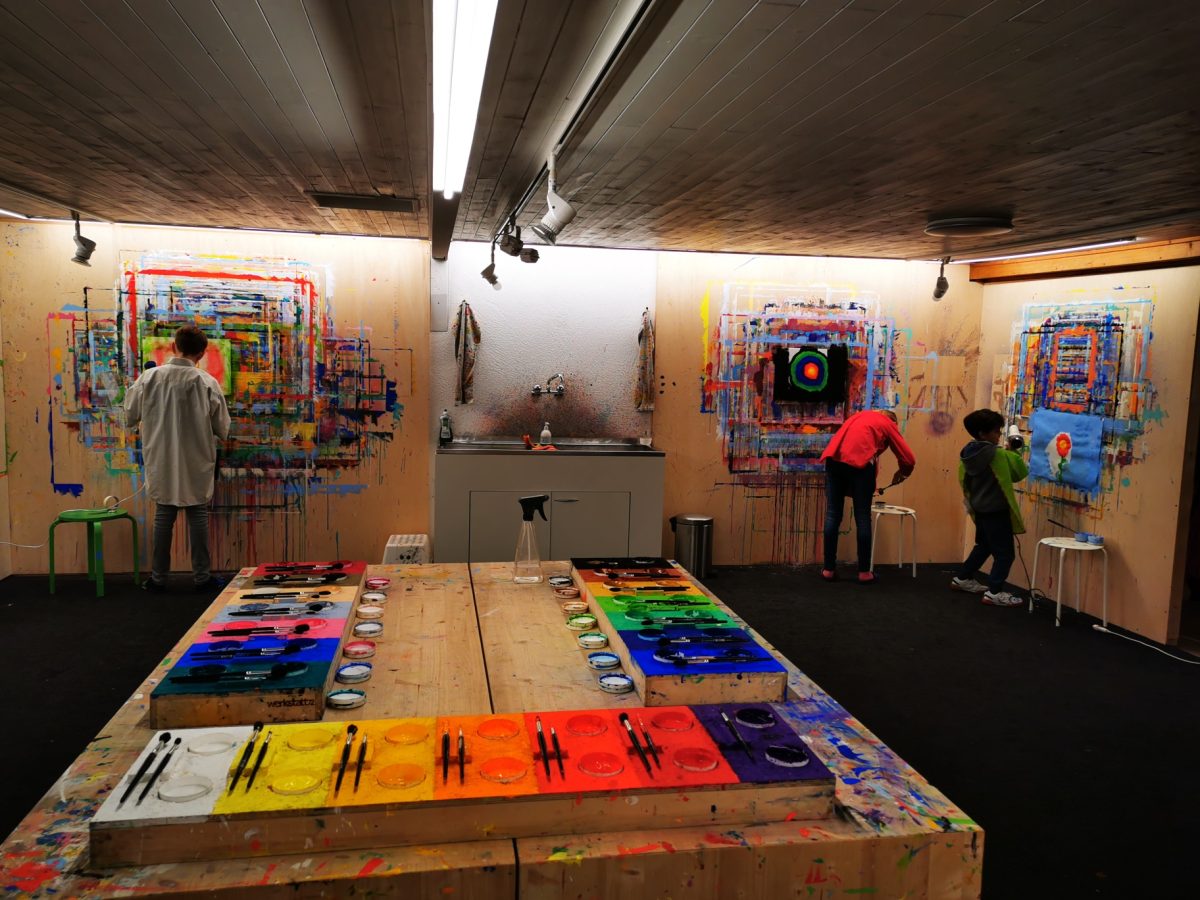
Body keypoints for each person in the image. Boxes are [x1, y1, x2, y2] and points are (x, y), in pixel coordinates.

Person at [125, 325, 231, 592]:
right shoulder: (206, 382)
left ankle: (158, 578)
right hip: (196, 459)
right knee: (197, 515)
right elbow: (222, 428)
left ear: (174, 346)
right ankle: (202, 578)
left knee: (164, 515)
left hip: (161, 457)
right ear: (202, 353)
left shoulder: (149, 378)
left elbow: (129, 416)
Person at [819, 409, 916, 583]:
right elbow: (908, 459)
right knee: (863, 517)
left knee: (833, 514)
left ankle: (828, 570)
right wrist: (903, 472)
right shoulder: (887, 423)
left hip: (834, 461)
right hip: (860, 468)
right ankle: (864, 572)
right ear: (892, 421)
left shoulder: (859, 416)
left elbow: (855, 448)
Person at [951, 409, 1028, 607]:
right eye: (996, 431)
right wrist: (1013, 452)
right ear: (983, 433)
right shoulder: (998, 454)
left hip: (980, 509)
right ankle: (994, 592)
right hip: (997, 510)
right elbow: (1019, 473)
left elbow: (964, 480)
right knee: (1005, 554)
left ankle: (962, 578)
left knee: (984, 545)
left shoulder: (967, 454)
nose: (999, 435)